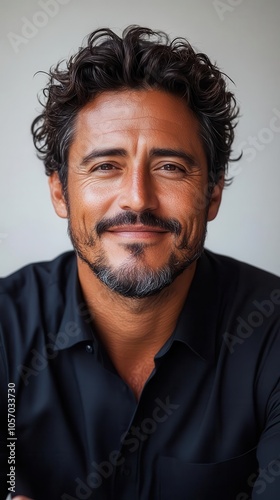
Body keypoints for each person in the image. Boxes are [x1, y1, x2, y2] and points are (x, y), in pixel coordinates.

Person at [0, 25, 280, 500]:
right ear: (59, 192)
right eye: (105, 165)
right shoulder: (5, 328)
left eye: (170, 167)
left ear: (212, 193)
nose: (137, 199)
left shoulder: (271, 332)